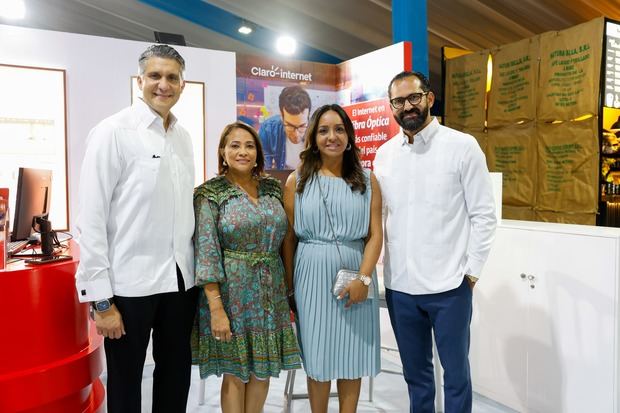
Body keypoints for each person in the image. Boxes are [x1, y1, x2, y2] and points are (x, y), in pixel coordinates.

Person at [74, 44, 198, 412]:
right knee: (126, 383)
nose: (164, 84)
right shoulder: (112, 132)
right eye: (155, 76)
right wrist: (101, 299)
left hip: (179, 283)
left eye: (172, 77)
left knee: (176, 377)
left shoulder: (183, 137)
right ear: (140, 80)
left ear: (182, 84)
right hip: (129, 287)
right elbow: (90, 218)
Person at [373, 71, 497, 413]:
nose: (407, 107)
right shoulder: (384, 155)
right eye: (398, 101)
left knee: (456, 376)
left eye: (413, 97)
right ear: (392, 107)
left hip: (450, 287)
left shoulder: (462, 146)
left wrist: (470, 274)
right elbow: (381, 217)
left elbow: (484, 215)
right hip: (400, 288)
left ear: (429, 98)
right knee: (416, 377)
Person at [192, 121, 301, 413]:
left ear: (258, 152)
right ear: (223, 152)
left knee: (262, 369)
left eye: (249, 145)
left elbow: (286, 240)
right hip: (232, 296)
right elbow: (206, 252)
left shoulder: (272, 189)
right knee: (236, 372)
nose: (243, 152)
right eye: (235, 146)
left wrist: (289, 289)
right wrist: (216, 309)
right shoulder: (209, 193)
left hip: (270, 293)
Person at [282, 104, 383, 413]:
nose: (332, 136)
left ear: (349, 137)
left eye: (339, 129)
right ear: (313, 138)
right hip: (310, 276)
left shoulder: (367, 181)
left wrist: (363, 279)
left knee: (353, 358)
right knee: (318, 357)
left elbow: (375, 235)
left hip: (357, 272)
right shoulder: (296, 181)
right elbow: (290, 240)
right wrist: (289, 290)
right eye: (323, 130)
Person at [259, 85, 311, 170]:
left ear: (308, 115)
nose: (296, 134)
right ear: (281, 116)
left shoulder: (317, 130)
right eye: (290, 126)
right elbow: (264, 169)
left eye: (302, 126)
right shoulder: (268, 129)